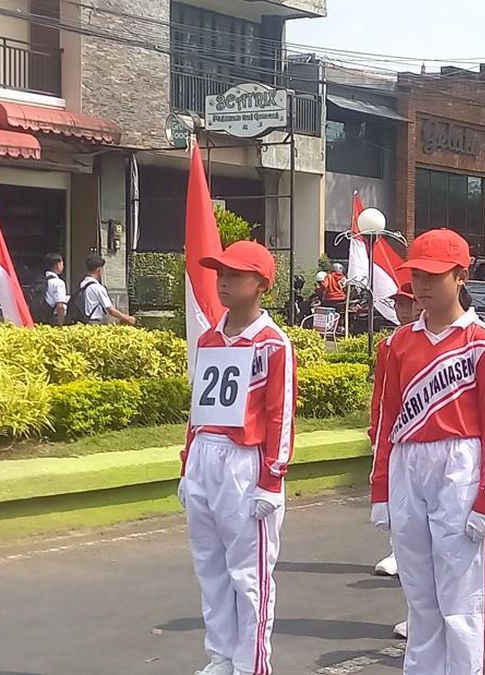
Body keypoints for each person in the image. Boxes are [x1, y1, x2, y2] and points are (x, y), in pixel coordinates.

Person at [370, 229, 485, 673]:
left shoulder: (482, 340)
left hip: (459, 464)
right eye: (417, 275)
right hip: (408, 463)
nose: (422, 285)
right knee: (419, 594)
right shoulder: (398, 343)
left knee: (460, 595)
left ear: (461, 275)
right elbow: (386, 419)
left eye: (434, 275)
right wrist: (381, 489)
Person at [179, 240, 295, 675]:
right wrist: (188, 463)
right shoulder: (210, 338)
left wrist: (272, 478)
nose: (223, 282)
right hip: (205, 456)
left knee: (249, 574)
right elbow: (199, 406)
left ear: (261, 284)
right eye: (220, 274)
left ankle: (252, 664)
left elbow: (280, 413)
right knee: (210, 568)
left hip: (245, 461)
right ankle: (221, 656)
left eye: (235, 275)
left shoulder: (272, 343)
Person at [369, 283, 419, 638]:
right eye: (398, 303)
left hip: (433, 448)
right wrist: (377, 427)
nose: (403, 309)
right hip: (398, 437)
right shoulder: (389, 345)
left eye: (407, 303)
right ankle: (397, 551)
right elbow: (384, 394)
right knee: (400, 507)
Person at [72, 255, 135, 325]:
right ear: (99, 269)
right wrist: (127, 318)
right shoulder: (97, 288)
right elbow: (111, 310)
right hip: (94, 322)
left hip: (82, 322)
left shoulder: (82, 284)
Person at [43, 253, 68, 323]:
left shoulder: (40, 280)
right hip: (53, 319)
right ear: (58, 265)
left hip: (40, 318)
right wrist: (61, 324)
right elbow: (60, 306)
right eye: (62, 264)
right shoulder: (58, 283)